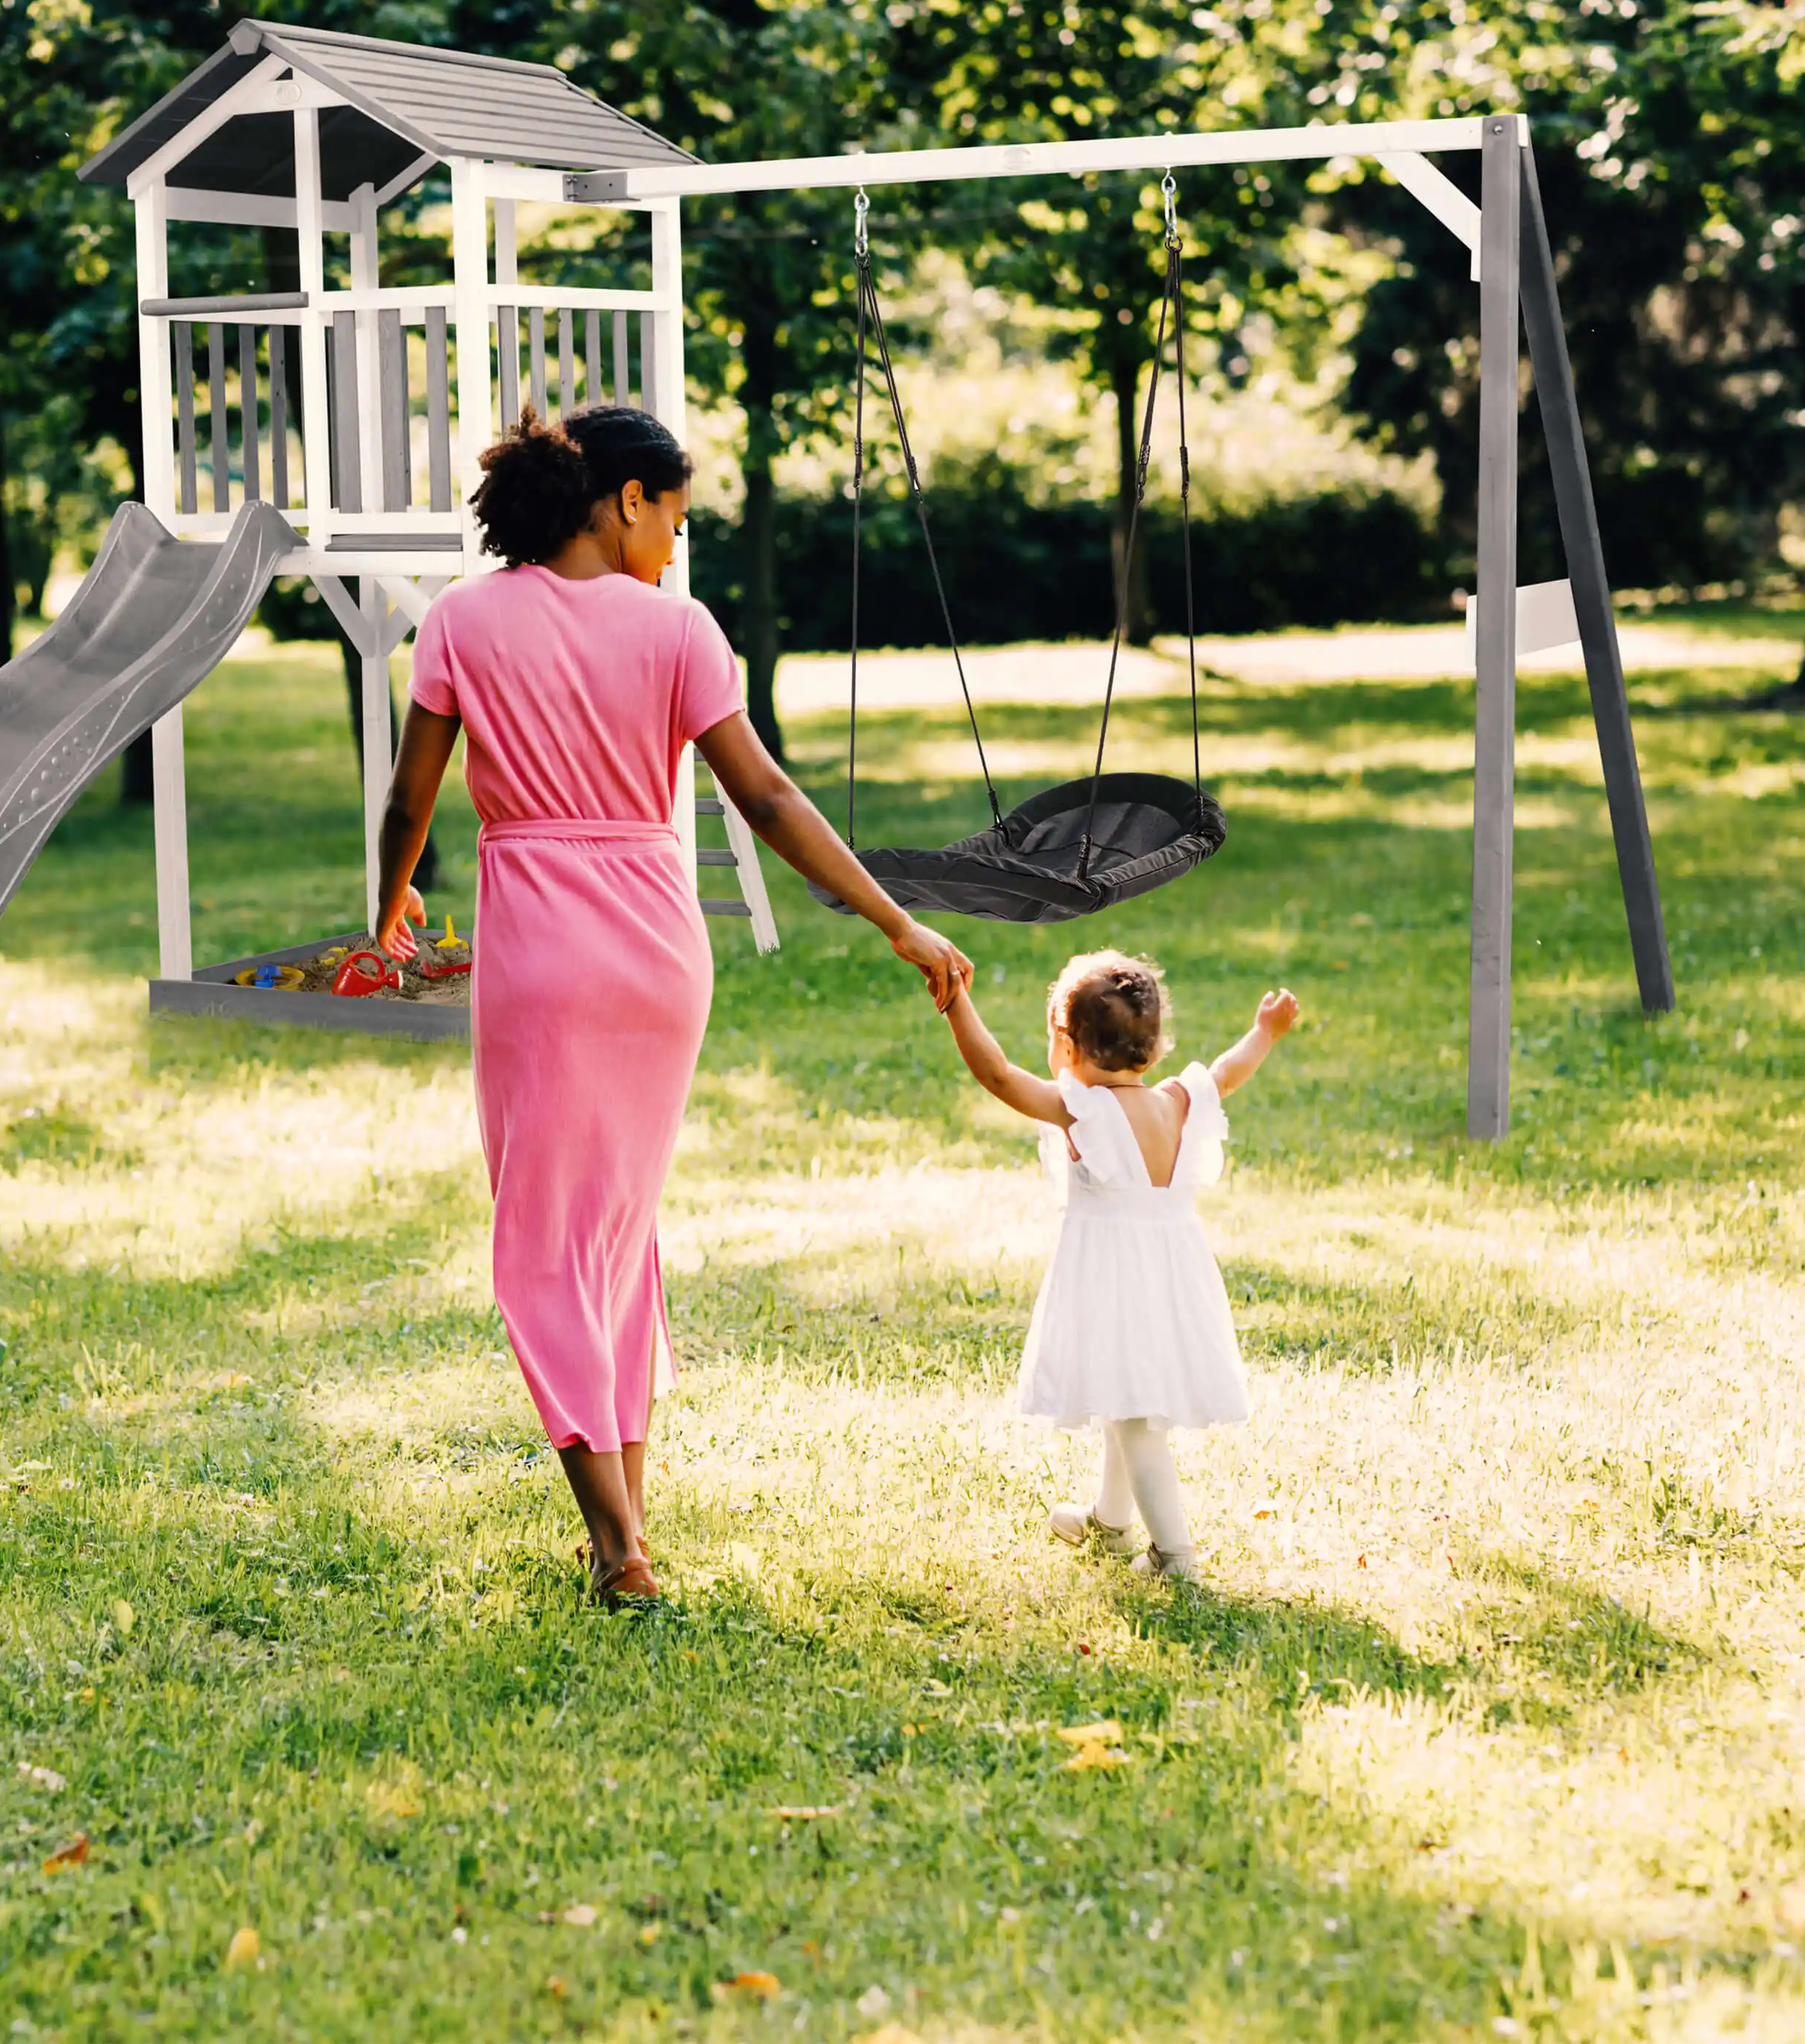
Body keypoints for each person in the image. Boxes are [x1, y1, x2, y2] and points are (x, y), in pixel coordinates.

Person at [372, 404, 973, 1608]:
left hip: (541, 952)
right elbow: (768, 799)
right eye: (676, 520)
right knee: (615, 1235)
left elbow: (411, 799)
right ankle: (627, 1525)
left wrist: (386, 910)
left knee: (546, 1245)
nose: (676, 547)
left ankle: (615, 1547)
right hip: (657, 952)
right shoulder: (680, 632)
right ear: (626, 500)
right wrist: (895, 918)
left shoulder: (462, 620)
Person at [938, 950, 1301, 1581]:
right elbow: (1228, 1071)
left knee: (1134, 1417)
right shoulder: (1179, 1101)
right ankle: (1110, 1521)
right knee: (1122, 1394)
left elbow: (996, 1075)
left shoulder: (1083, 1112)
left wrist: (955, 1002)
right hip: (1171, 1276)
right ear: (1154, 1048)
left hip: (1113, 1280)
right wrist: (1264, 1032)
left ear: (1067, 1045)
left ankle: (1174, 1555)